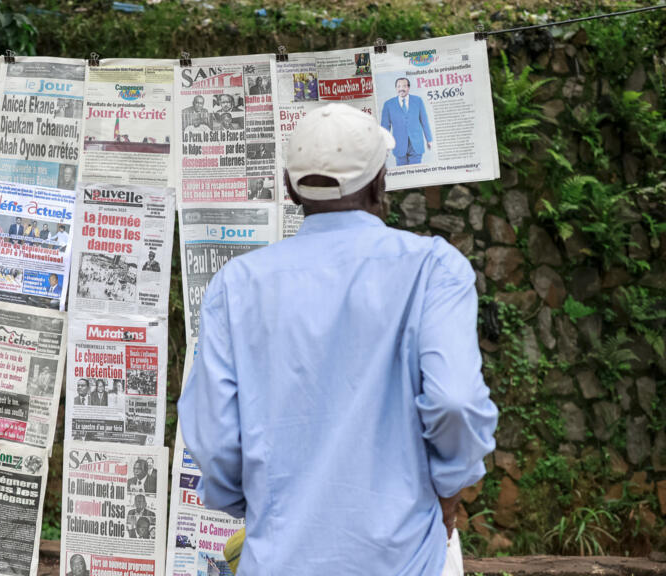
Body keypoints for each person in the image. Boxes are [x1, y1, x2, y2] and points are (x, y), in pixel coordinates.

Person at [178, 103, 497, 576]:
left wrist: (259, 509)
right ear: (379, 182)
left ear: (290, 188)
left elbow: (216, 441)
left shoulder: (237, 284)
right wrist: (448, 490)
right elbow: (455, 402)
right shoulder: (432, 268)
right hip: (406, 561)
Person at [380, 77, 433, 166]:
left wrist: (429, 139)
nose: (401, 89)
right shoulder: (388, 104)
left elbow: (424, 121)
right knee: (402, 174)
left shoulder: (418, 101)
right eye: (399, 86)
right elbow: (385, 126)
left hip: (416, 144)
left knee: (416, 172)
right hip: (399, 145)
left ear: (408, 88)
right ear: (396, 88)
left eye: (404, 86)